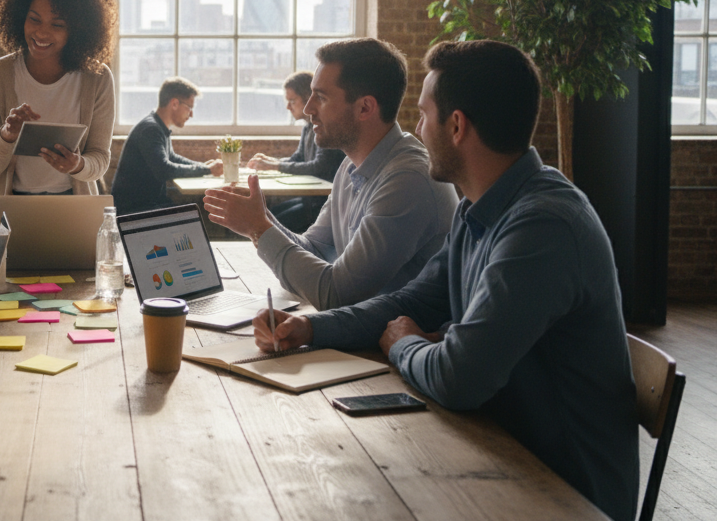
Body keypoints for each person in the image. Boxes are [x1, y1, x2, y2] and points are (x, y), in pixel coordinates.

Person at [256, 40, 637, 521]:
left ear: (456, 126)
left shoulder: (543, 226)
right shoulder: (480, 207)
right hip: (494, 448)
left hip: (561, 492)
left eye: (422, 115)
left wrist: (402, 344)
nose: (414, 129)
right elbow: (413, 299)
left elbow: (459, 377)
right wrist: (312, 329)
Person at [203, 38, 457, 309]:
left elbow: (336, 294)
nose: (309, 109)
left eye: (321, 97)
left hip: (396, 345)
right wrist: (261, 219)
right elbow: (313, 250)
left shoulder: (407, 180)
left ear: (364, 108)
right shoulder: (351, 166)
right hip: (363, 334)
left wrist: (259, 228)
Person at [0, 0, 117, 221]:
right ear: (19, 18)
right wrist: (6, 135)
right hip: (8, 209)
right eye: (34, 19)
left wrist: (78, 165)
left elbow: (99, 160)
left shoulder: (97, 78)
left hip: (74, 209)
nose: (41, 33)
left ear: (78, 29)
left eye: (57, 25)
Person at [247, 70, 345, 232]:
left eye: (292, 101)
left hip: (324, 204)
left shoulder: (324, 126)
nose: (287, 107)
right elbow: (299, 157)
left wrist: (274, 166)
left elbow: (318, 167)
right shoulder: (308, 126)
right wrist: (272, 162)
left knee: (267, 225)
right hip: (310, 199)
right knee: (266, 216)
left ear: (308, 98)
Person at [110, 77, 223, 215]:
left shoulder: (158, 126)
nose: (191, 114)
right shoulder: (151, 129)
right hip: (135, 211)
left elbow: (172, 158)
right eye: (189, 107)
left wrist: (204, 167)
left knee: (195, 214)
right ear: (174, 103)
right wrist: (206, 170)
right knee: (197, 215)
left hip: (148, 204)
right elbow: (164, 169)